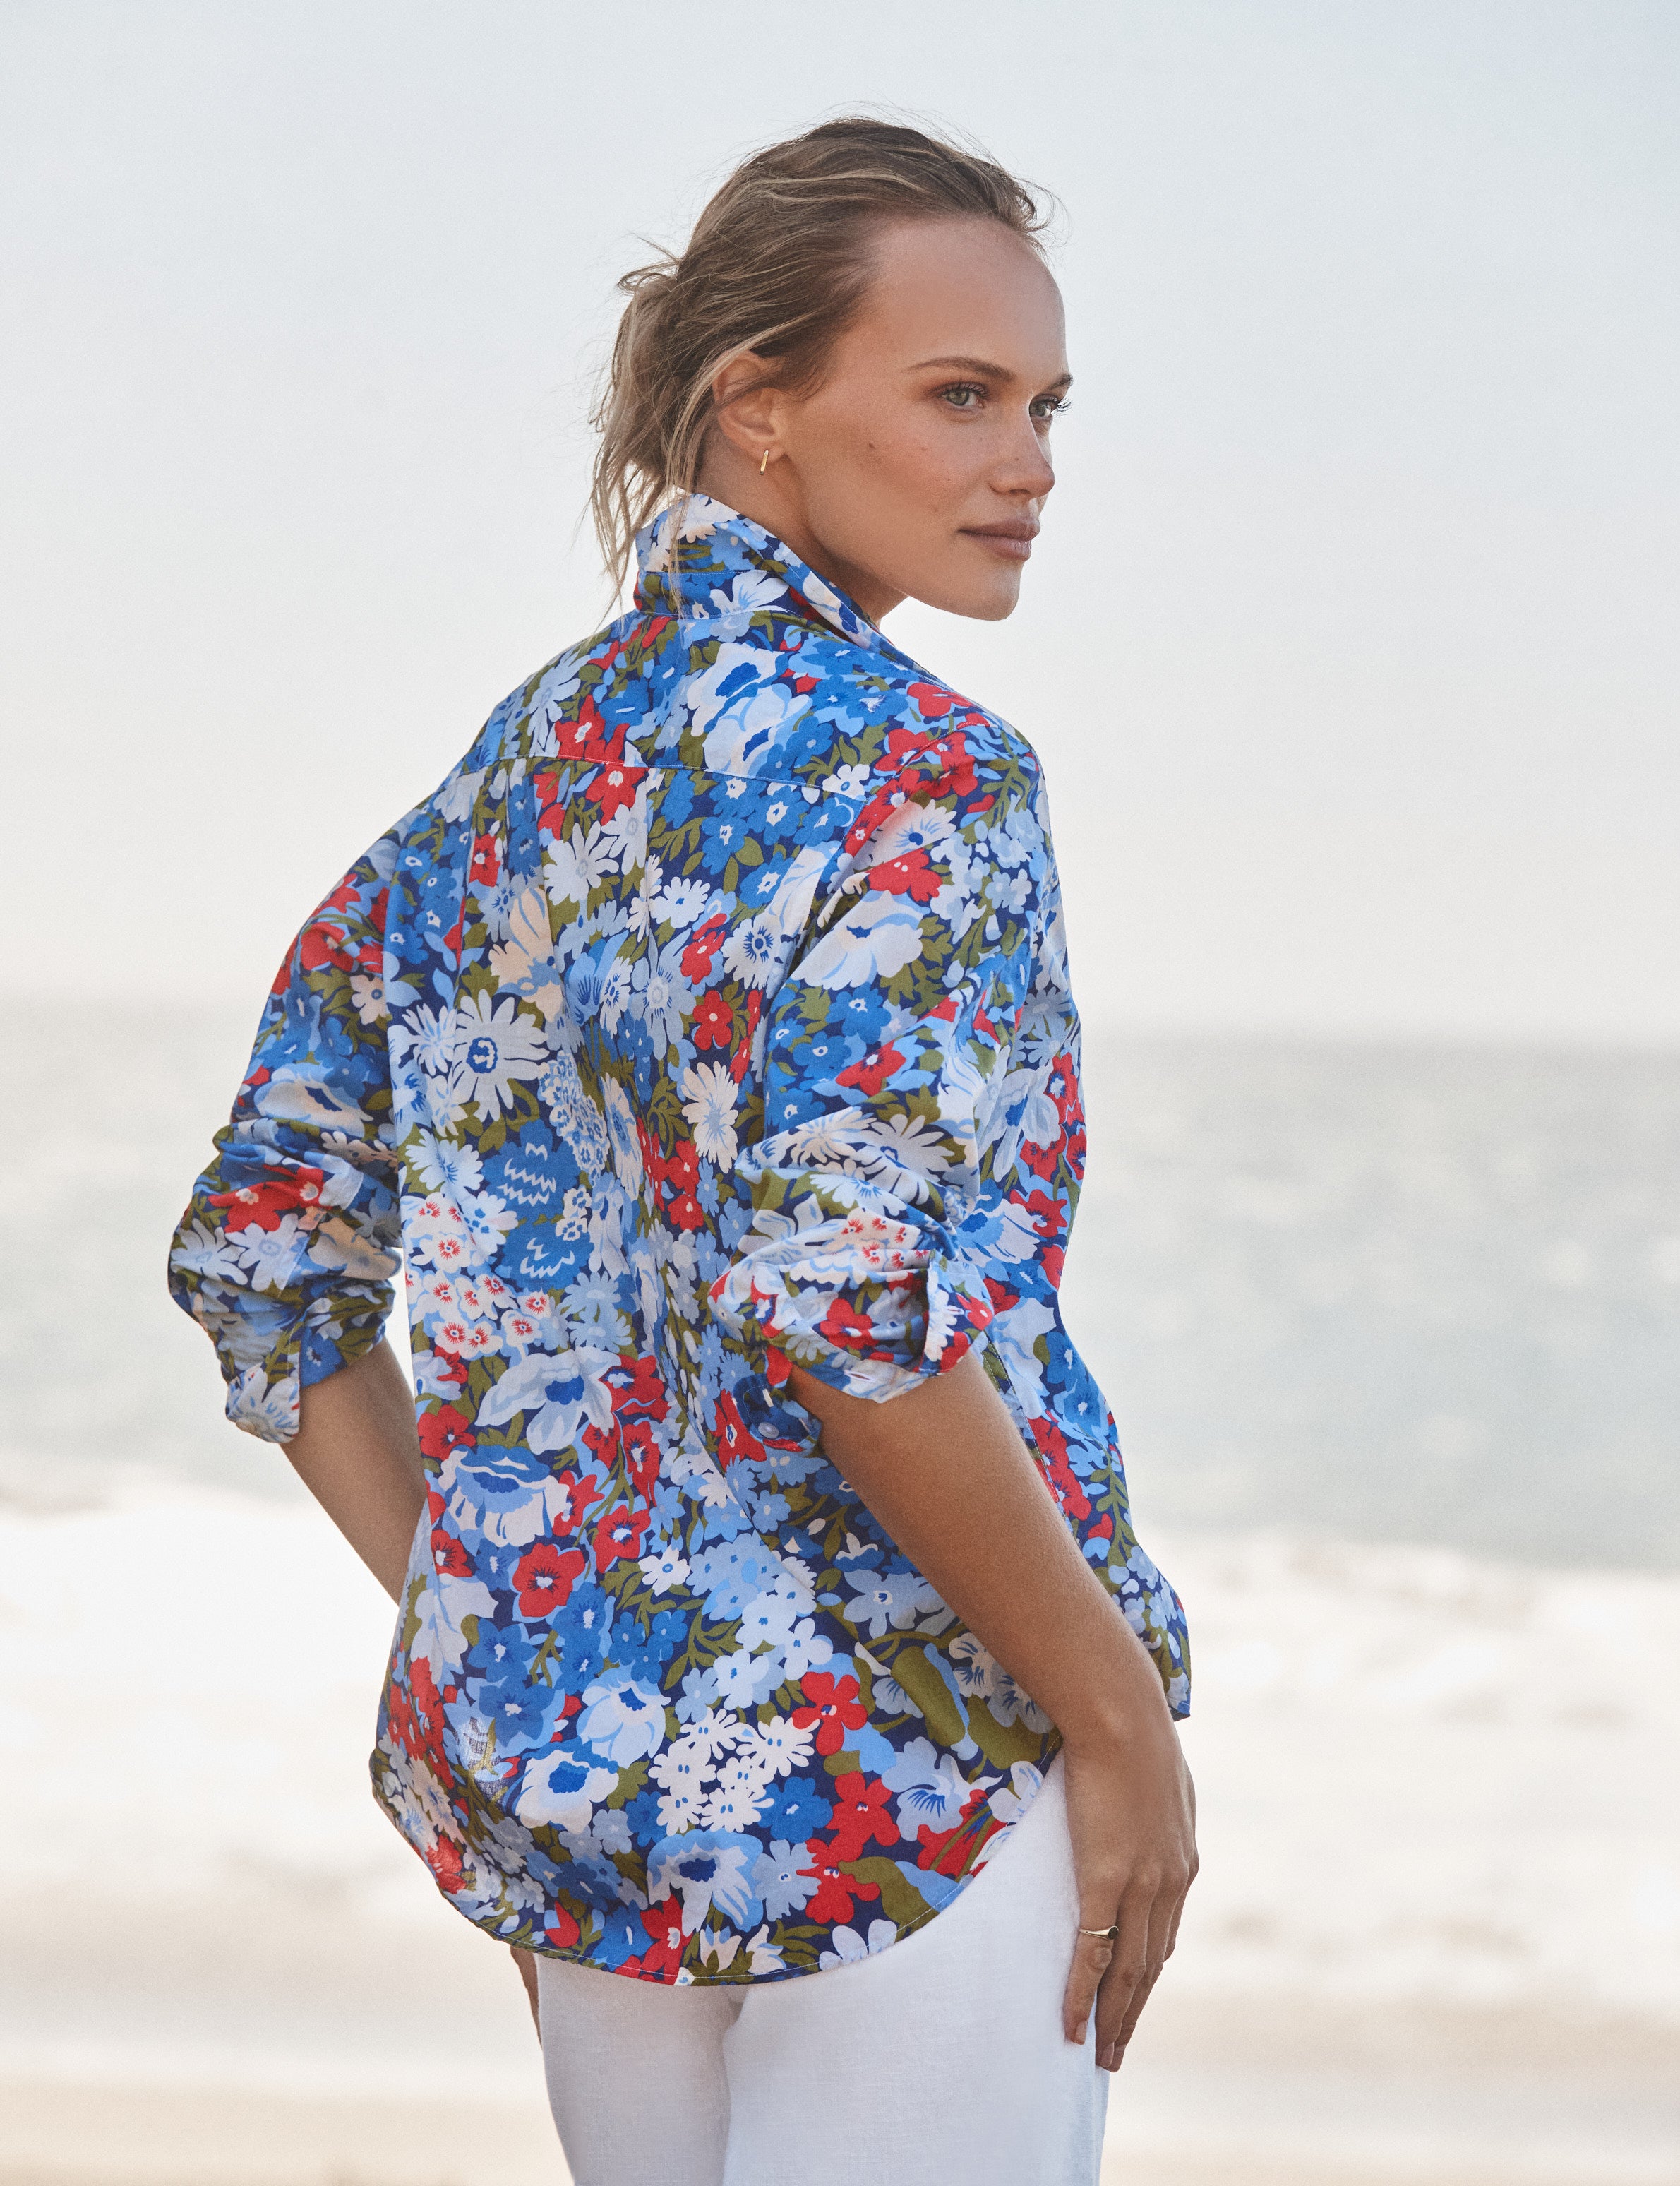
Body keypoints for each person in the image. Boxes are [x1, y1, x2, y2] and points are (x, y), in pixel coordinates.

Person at [169, 117, 1196, 2186]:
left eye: (1047, 404)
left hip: (593, 1789)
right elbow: (854, 1326)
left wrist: (498, 1624)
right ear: (760, 413)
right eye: (959, 394)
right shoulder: (922, 778)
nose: (1032, 463)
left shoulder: (523, 772)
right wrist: (1117, 1730)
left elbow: (264, 1247)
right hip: (912, 1773)